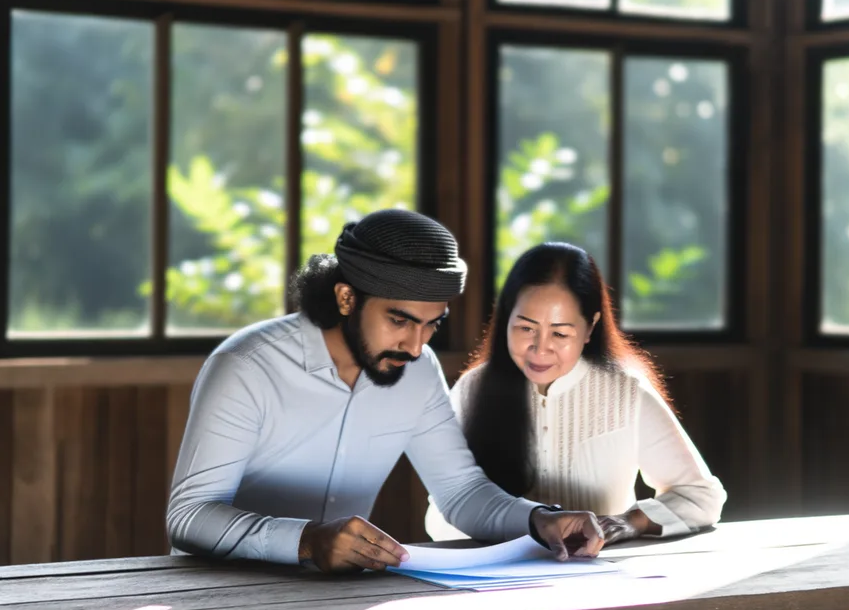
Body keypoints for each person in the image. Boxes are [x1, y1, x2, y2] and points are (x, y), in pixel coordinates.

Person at [167, 209, 605, 573]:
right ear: (346, 298)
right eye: (399, 321)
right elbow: (188, 516)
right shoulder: (247, 366)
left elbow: (461, 492)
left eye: (431, 325)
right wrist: (306, 540)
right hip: (215, 590)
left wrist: (539, 520)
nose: (415, 346)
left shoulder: (418, 370)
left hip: (338, 598)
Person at [425, 242, 726, 545]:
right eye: (526, 328)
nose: (540, 348)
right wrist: (518, 526)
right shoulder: (472, 390)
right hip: (490, 572)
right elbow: (441, 511)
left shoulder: (625, 393)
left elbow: (701, 495)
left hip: (599, 569)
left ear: (590, 328)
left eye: (560, 333)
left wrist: (629, 522)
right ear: (506, 318)